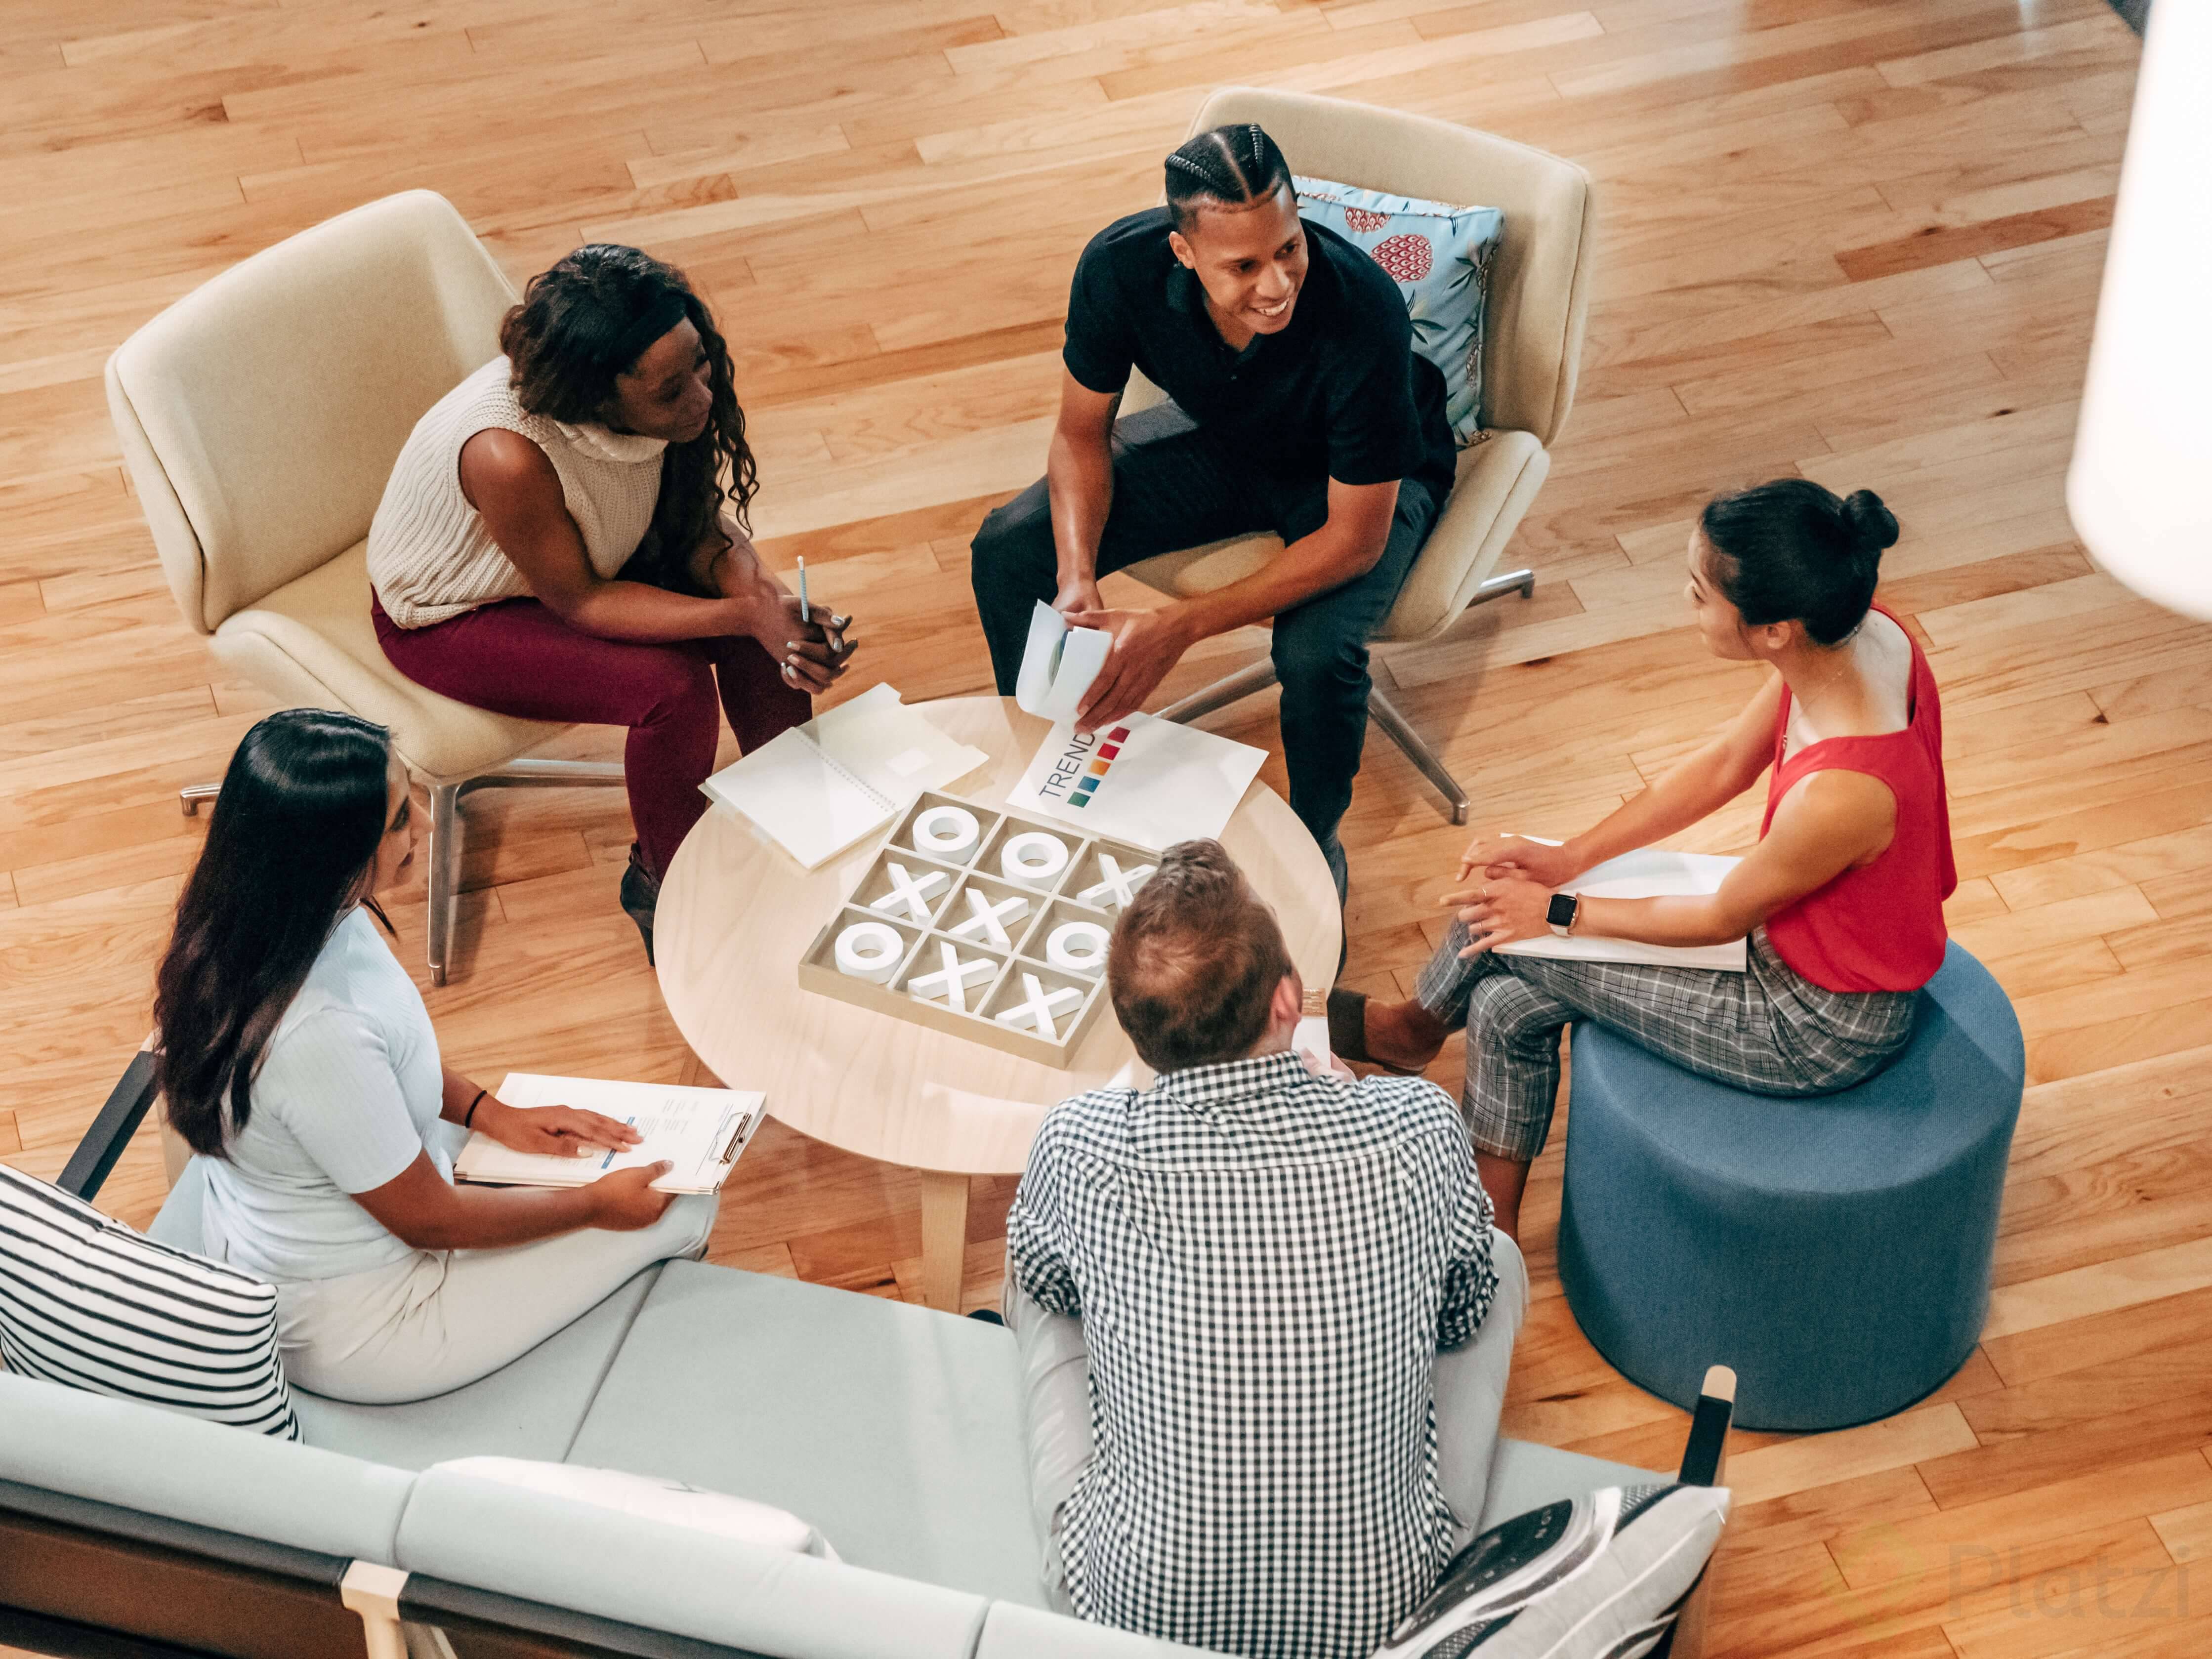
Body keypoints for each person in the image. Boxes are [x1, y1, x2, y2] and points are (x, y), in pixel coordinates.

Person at [1336, 481, 1953, 1239]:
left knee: (1510, 929)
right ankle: (1486, 1228)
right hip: (1783, 937)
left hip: (1811, 1022)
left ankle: (1413, 1038)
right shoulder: (1857, 637)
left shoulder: (1847, 793)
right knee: (1502, 999)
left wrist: (1556, 911)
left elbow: (1718, 916)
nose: (1684, 601)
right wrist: (1568, 858)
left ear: (1771, 631)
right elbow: (1727, 761)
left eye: (1699, 595)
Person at [1004, 840, 1506, 1659]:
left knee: (1035, 1280)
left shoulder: (1076, 1142)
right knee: (1494, 1259)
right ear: (1287, 1003)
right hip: (1383, 1609)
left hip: (1133, 1611)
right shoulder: (1414, 1121)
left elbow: (1050, 1283)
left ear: (1136, 1033)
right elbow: (1461, 1313)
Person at [152, 709, 717, 1405]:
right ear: (330, 851)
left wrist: (491, 1111)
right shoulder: (311, 1035)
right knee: (687, 1210)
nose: (423, 821)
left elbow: (390, 1055)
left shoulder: (271, 916)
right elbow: (431, 1221)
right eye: (396, 820)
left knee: (635, 1176)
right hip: (371, 1318)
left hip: (335, 1213)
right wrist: (594, 1206)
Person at [968, 125, 1459, 900]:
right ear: (1183, 253)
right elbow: (1077, 436)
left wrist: (1181, 626)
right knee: (1006, 547)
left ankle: (1313, 841)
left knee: (1315, 654)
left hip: (1354, 481)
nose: (1277, 284)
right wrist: (1074, 578)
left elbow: (1354, 542)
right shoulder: (1117, 267)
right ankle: (1049, 765)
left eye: (1289, 248)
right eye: (1243, 265)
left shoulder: (1361, 309)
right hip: (1230, 438)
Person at [367, 244, 858, 961]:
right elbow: (582, 601)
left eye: (702, 361)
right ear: (596, 397)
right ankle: (667, 880)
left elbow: (687, 525)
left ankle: (802, 814)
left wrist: (770, 606)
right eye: (671, 391)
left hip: (591, 555)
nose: (701, 396)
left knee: (758, 620)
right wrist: (741, 611)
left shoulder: (667, 398)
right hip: (454, 611)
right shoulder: (508, 453)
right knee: (671, 688)